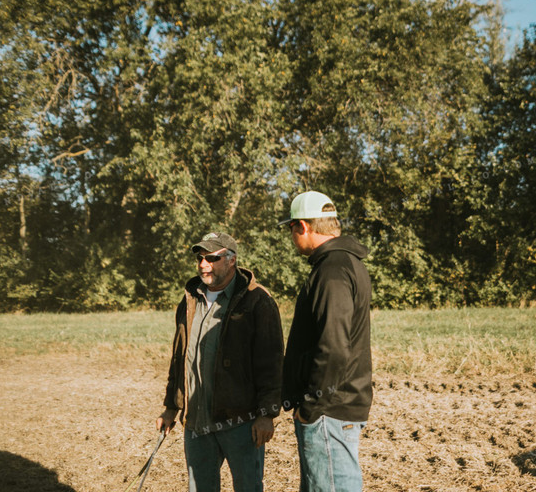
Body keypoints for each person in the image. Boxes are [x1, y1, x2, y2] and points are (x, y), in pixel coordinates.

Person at [156, 232, 284, 492]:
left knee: (248, 487)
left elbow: (271, 362)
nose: (203, 264)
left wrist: (267, 414)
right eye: (200, 258)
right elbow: (180, 356)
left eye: (212, 258)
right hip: (196, 421)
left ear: (231, 260)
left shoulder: (257, 300)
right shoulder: (190, 298)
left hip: (240, 422)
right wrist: (172, 406)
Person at [281, 191, 373, 491]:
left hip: (328, 411)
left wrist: (312, 406)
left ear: (303, 227)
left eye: (291, 228)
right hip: (334, 408)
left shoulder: (332, 271)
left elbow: (333, 345)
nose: (292, 237)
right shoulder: (345, 264)